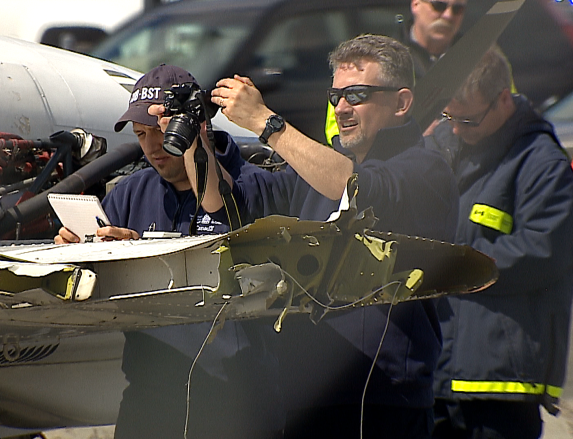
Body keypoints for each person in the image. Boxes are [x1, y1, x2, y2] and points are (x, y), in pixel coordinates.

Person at [156, 34, 459, 438]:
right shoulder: (318, 169)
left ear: (402, 102)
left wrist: (267, 123)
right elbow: (223, 203)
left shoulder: (425, 168)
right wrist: (196, 138)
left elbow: (355, 187)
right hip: (306, 394)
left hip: (383, 396)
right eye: (336, 97)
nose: (343, 108)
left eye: (357, 94)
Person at [55, 64, 282, 439]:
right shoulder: (130, 192)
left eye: (160, 132)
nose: (150, 147)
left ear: (194, 125)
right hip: (150, 396)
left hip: (235, 399)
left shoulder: (249, 186)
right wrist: (75, 252)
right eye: (141, 135)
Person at [425, 48, 573, 439]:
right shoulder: (445, 144)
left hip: (501, 384)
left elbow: (544, 250)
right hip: (437, 372)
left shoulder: (542, 163)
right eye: (448, 116)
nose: (455, 128)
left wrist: (454, 264)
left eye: (467, 119)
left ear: (504, 99)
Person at [325, 0, 468, 143]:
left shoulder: (477, 54)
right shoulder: (379, 56)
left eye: (458, 9)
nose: (448, 15)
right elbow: (338, 128)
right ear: (416, 4)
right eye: (439, 6)